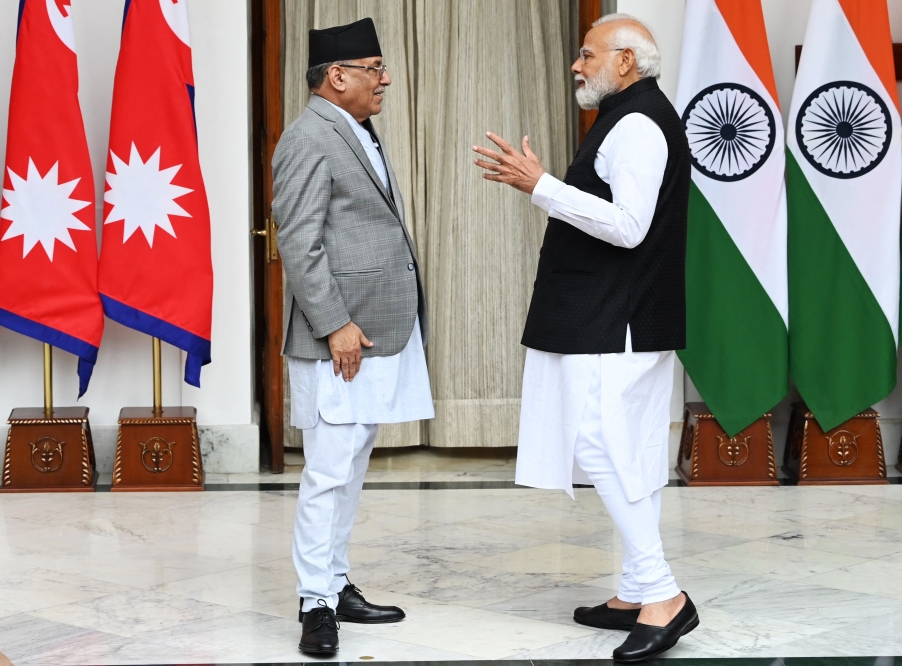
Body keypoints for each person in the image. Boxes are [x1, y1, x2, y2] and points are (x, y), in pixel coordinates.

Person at [473, 13, 697, 663]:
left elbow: (630, 226)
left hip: (613, 320)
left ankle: (662, 594)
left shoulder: (636, 125)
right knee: (629, 450)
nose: (577, 64)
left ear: (627, 61)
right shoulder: (631, 116)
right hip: (619, 316)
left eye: (588, 54)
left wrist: (539, 185)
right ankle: (634, 589)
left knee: (599, 442)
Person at [272, 18, 433, 656]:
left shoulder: (356, 128)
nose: (385, 77)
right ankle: (315, 605)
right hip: (340, 334)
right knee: (328, 471)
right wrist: (334, 323)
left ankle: (336, 584)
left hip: (374, 331)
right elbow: (299, 242)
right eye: (374, 67)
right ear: (336, 77)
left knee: (353, 465)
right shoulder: (308, 138)